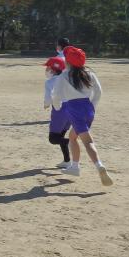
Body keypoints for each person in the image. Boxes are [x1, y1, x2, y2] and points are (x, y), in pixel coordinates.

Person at [50, 46, 113, 186]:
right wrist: (92, 106)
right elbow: (98, 92)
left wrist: (57, 107)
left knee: (87, 141)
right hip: (88, 108)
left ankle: (99, 166)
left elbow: (56, 95)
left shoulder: (63, 76)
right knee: (73, 137)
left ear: (68, 62)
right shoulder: (89, 74)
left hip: (74, 108)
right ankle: (75, 166)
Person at [43, 57, 72, 168]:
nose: (46, 70)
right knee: (60, 136)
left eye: (47, 68)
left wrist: (46, 104)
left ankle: (70, 141)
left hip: (59, 109)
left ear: (53, 69)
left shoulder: (49, 82)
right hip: (71, 109)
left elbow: (48, 98)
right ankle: (67, 161)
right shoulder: (67, 78)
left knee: (53, 139)